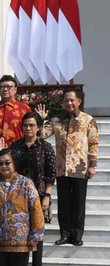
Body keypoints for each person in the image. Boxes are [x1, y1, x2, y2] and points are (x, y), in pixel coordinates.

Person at [39, 89, 99, 247]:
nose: (69, 103)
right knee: (64, 204)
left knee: (78, 204)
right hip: (62, 168)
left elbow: (93, 144)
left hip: (80, 168)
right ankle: (64, 234)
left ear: (79, 101)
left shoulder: (88, 120)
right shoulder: (56, 120)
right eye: (66, 100)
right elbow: (41, 135)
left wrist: (92, 165)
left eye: (72, 100)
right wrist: (42, 120)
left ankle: (77, 235)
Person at [1, 112, 55, 266]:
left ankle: (36, 265)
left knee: (37, 230)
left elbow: (50, 174)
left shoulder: (45, 147)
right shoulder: (15, 147)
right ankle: (22, 264)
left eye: (32, 125)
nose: (29, 128)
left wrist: (47, 195)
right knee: (21, 230)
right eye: (26, 125)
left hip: (39, 195)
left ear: (39, 127)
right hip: (17, 197)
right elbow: (10, 171)